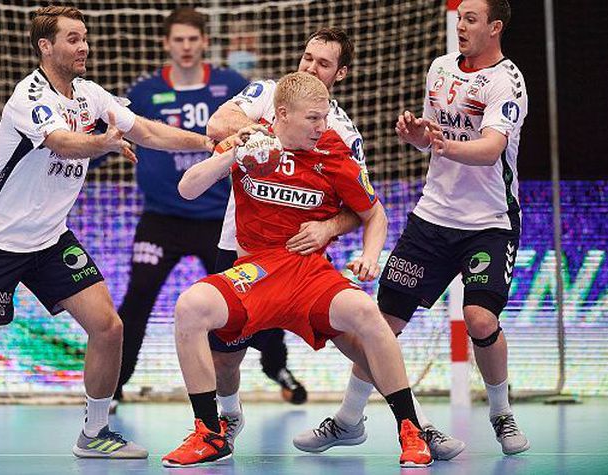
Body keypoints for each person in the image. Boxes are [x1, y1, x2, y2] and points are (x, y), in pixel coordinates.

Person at [0, 6, 213, 459]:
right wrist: (103, 141)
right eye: (72, 39)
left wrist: (206, 143)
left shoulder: (89, 93)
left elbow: (143, 130)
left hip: (50, 240)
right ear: (46, 46)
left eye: (85, 38)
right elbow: (60, 141)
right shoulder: (28, 96)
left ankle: (95, 433)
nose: (83, 46)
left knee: (108, 326)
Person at [208, 28, 463, 459]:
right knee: (224, 355)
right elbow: (217, 123)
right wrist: (266, 134)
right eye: (307, 57)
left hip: (300, 260)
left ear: (341, 73)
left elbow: (363, 206)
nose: (310, 66)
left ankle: (415, 423)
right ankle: (227, 418)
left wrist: (328, 229)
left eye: (323, 63)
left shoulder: (341, 134)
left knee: (362, 335)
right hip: (242, 248)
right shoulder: (269, 95)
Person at [163, 72, 432, 468]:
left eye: (324, 118)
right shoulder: (253, 142)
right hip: (256, 270)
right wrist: (229, 155)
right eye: (313, 119)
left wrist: (371, 255)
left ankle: (411, 429)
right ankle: (210, 433)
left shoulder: (332, 150)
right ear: (282, 114)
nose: (322, 127)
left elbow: (373, 214)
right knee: (190, 307)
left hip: (309, 272)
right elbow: (187, 189)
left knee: (366, 315)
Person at [382, 0, 529, 455]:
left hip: (489, 222)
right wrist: (417, 137)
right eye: (458, 17)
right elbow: (434, 138)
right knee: (381, 323)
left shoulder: (507, 81)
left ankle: (501, 412)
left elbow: (489, 149)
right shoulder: (441, 68)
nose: (460, 26)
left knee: (479, 317)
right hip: (432, 215)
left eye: (470, 19)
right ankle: (350, 418)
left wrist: (442, 146)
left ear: (495, 27)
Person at [111, 7, 250, 411]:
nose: (186, 47)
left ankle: (278, 367)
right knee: (137, 298)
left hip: (218, 219)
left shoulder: (232, 85)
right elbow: (121, 134)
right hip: (162, 219)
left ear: (204, 42)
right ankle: (115, 386)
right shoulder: (144, 91)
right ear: (166, 44)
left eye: (193, 39)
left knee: (243, 300)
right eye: (179, 40)